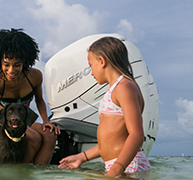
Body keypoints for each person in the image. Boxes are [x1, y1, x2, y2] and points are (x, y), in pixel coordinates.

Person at [58, 37, 150, 177]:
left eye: (91, 66)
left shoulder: (125, 87)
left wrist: (115, 170)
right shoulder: (113, 90)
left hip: (128, 166)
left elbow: (136, 135)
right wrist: (81, 157)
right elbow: (107, 144)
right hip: (119, 166)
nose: (92, 72)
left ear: (101, 61)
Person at [0, 28, 61, 165]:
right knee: (34, 138)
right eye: (6, 65)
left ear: (25, 61)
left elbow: (39, 101)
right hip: (2, 121)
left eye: (17, 65)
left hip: (23, 120)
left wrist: (46, 121)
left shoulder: (35, 76)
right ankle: (21, 172)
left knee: (50, 135)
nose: (11, 70)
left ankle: (38, 172)